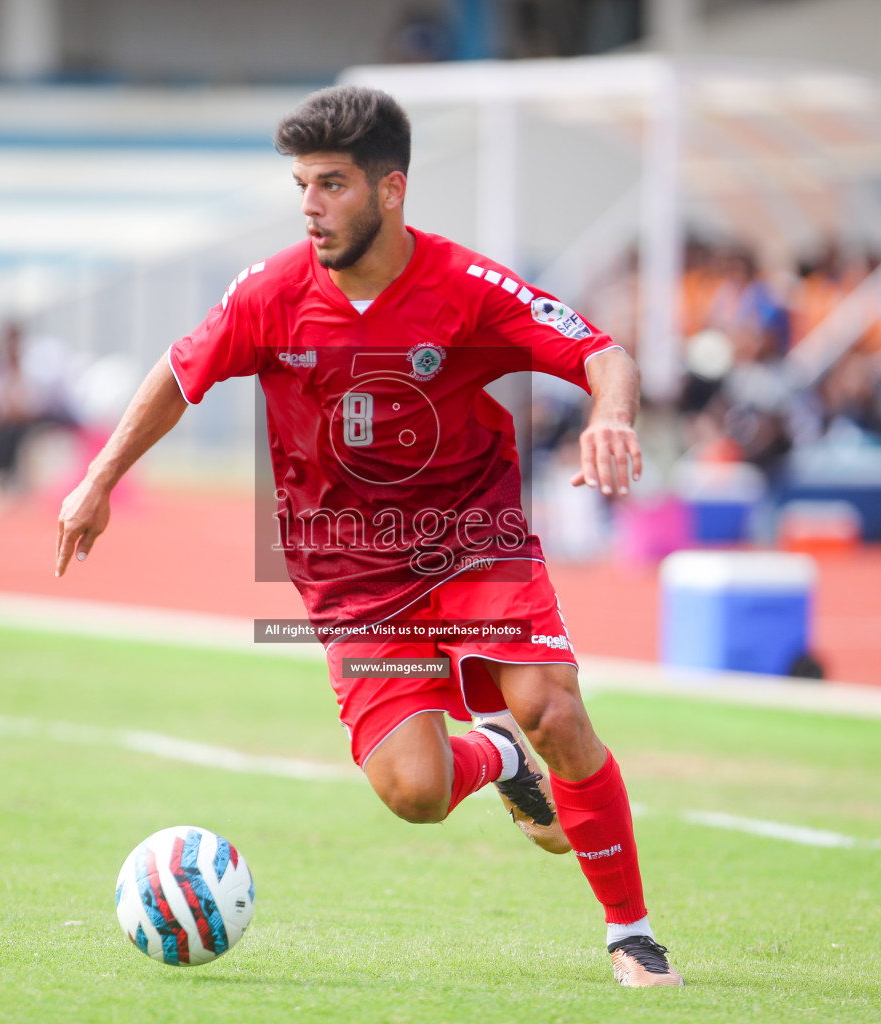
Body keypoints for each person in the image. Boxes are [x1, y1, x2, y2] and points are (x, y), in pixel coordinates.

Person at [54, 86, 682, 988]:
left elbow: (601, 352)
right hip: (351, 582)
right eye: (303, 185)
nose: (310, 206)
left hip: (473, 539)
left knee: (555, 708)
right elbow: (179, 374)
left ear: (391, 190)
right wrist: (99, 477)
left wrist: (612, 418)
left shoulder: (467, 289)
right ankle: (499, 753)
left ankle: (632, 933)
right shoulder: (270, 295)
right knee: (417, 794)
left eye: (333, 185)